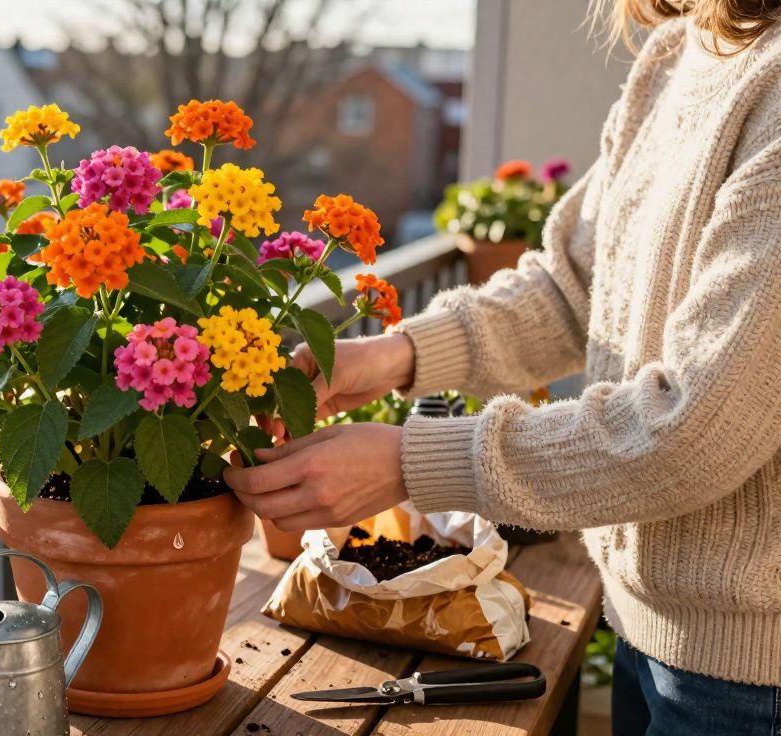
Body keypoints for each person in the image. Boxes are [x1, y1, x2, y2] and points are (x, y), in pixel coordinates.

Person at [223, 1, 781, 733]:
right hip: (652, 635)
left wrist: (409, 461)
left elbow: (695, 432)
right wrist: (397, 356)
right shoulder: (679, 55)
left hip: (752, 682)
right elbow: (571, 288)